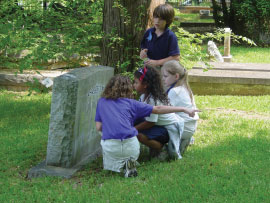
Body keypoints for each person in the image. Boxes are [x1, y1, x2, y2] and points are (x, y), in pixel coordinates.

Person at [95, 75, 199, 178]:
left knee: (105, 138)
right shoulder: (132, 103)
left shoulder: (101, 102)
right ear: (128, 89)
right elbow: (158, 108)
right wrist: (184, 109)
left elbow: (99, 127)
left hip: (110, 147)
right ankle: (130, 162)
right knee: (129, 144)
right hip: (131, 145)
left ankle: (114, 165)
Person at [134, 66, 191, 160]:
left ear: (145, 84)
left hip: (169, 128)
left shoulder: (152, 99)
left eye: (136, 82)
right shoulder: (143, 96)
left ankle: (161, 149)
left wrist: (133, 129)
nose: (134, 85)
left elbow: (150, 122)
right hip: (158, 125)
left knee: (139, 135)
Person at [161, 60, 199, 154]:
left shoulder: (174, 91)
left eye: (165, 76)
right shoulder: (184, 87)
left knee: (154, 123)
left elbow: (165, 112)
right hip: (190, 127)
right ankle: (184, 140)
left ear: (176, 76)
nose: (162, 79)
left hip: (183, 128)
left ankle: (164, 150)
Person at [140, 4, 180, 68]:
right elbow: (143, 47)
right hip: (148, 69)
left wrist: (157, 62)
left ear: (168, 20)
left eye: (161, 19)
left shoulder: (170, 36)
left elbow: (176, 58)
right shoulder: (149, 32)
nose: (157, 21)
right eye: (155, 17)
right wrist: (142, 52)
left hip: (164, 71)